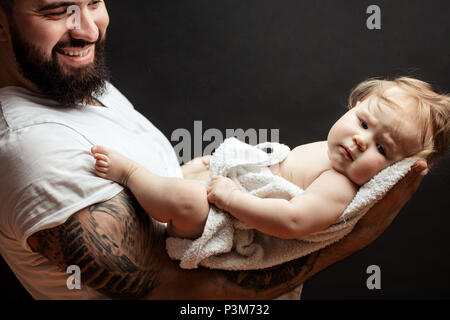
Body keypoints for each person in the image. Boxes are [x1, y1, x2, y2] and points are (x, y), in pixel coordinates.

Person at [0, 0, 431, 300]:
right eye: (57, 10)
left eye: (94, 1)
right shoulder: (32, 148)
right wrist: (355, 238)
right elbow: (173, 294)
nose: (90, 29)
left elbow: (295, 215)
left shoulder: (73, 81)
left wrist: (191, 177)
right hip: (209, 244)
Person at [90, 77, 450, 241]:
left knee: (189, 198)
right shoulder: (332, 151)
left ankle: (131, 174)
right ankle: (153, 192)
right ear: (354, 106)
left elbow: (293, 221)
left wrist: (234, 199)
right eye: (364, 123)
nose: (360, 141)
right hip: (228, 193)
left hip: (224, 221)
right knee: (200, 164)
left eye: (383, 149)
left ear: (393, 172)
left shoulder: (338, 186)